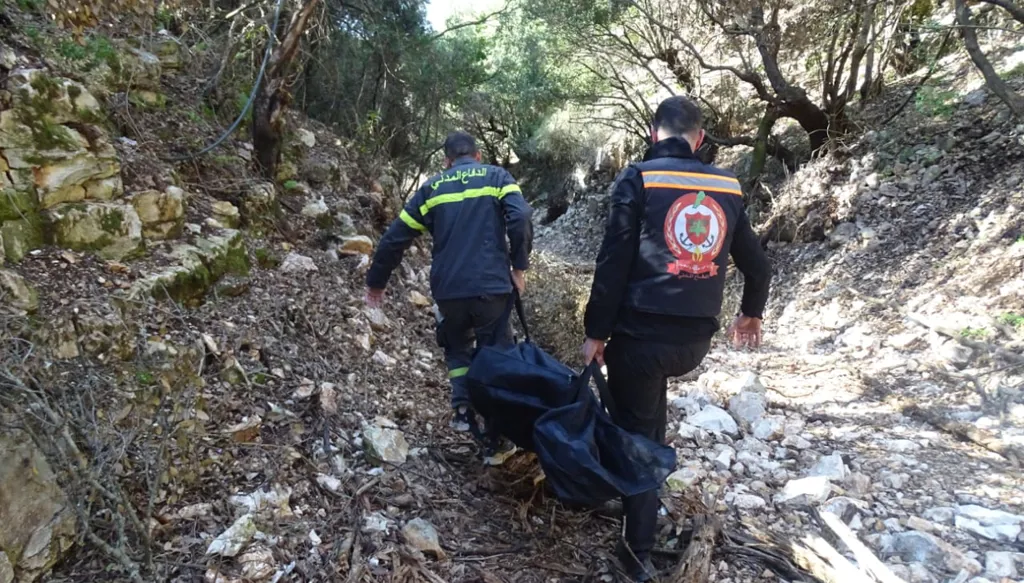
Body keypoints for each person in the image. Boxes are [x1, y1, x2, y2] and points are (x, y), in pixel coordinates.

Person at [580, 96, 772, 582]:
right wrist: (751, 313)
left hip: (639, 337)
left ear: (653, 133)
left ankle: (635, 551)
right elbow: (758, 264)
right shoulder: (726, 185)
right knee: (648, 416)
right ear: (699, 138)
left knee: (637, 435)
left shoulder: (638, 178)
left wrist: (595, 332)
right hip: (693, 342)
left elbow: (613, 262)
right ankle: (639, 503)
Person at [365, 131, 534, 464]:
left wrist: (376, 283)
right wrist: (519, 266)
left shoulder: (432, 189)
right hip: (491, 288)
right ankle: (495, 441)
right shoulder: (497, 177)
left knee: (457, 345)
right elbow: (521, 217)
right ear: (478, 155)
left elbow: (395, 238)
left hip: (449, 290)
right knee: (497, 357)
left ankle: (462, 408)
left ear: (446, 161)